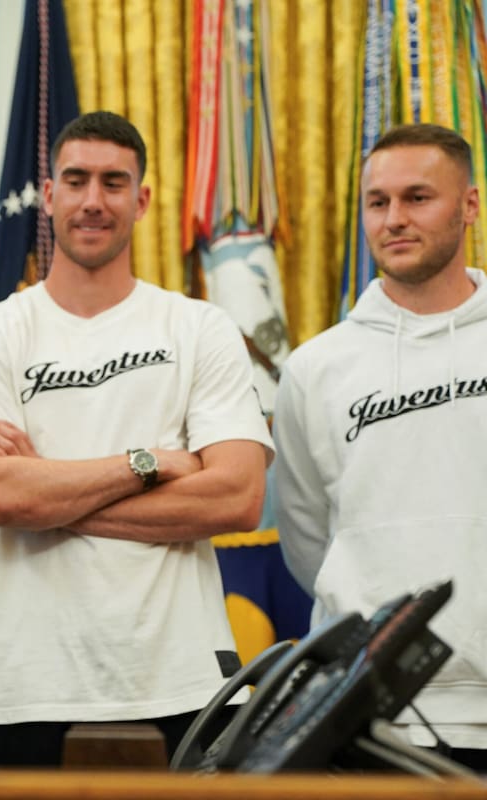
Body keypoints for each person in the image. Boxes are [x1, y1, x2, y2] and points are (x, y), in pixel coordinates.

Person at [0, 111, 274, 764]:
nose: (94, 200)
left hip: (183, 677)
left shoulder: (200, 328)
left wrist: (48, 488)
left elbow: (236, 498)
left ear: (142, 198)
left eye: (114, 182)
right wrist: (151, 463)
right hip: (32, 682)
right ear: (49, 194)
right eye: (77, 179)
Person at [274, 123, 487, 770]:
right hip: (368, 711)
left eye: (418, 198)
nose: (394, 219)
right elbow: (310, 539)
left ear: (470, 207)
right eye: (377, 202)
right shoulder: (316, 369)